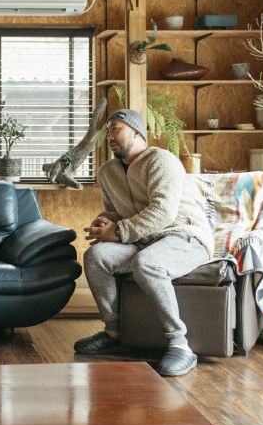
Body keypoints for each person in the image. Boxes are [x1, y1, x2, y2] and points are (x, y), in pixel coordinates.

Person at [75, 109, 214, 377]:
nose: (110, 136)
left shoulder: (162, 160)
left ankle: (179, 344)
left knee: (147, 263)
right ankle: (115, 332)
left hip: (184, 235)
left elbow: (163, 212)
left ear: (137, 133)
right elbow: (116, 211)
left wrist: (119, 231)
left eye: (116, 128)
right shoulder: (108, 172)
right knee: (96, 257)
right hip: (143, 239)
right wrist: (105, 221)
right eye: (108, 131)